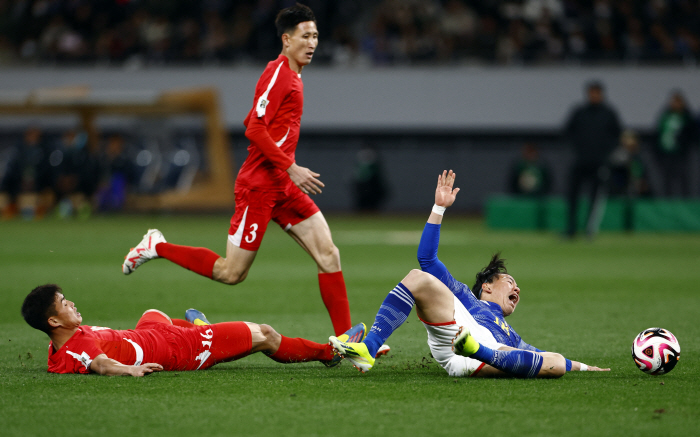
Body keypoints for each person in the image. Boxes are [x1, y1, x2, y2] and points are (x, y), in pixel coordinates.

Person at [121, 4, 352, 338]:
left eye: (315, 36)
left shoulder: (293, 76)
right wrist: (291, 166)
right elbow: (254, 129)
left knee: (329, 254)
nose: (312, 43)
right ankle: (157, 246)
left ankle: (348, 341)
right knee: (232, 273)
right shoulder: (279, 75)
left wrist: (287, 170)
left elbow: (257, 123)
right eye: (305, 36)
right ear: (286, 40)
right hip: (259, 186)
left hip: (283, 185)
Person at [331, 171, 610, 378]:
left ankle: (476, 349)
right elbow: (427, 258)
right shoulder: (463, 295)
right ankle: (369, 348)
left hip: (486, 355)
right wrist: (439, 208)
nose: (517, 290)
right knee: (417, 276)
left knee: (557, 363)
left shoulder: (511, 334)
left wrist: (586, 367)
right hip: (456, 328)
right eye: (510, 281)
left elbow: (544, 357)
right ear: (487, 287)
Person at [21, 283, 368, 376]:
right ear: (53, 322)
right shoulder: (79, 347)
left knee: (152, 311)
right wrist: (129, 369)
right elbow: (100, 363)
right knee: (265, 334)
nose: (72, 304)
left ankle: (205, 327)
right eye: (65, 304)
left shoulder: (58, 351)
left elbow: (89, 356)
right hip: (180, 348)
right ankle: (331, 353)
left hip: (152, 334)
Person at [564, 81, 622, 238]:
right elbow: (568, 131)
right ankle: (571, 229)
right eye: (591, 93)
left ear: (601, 94)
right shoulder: (579, 112)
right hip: (581, 161)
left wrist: (606, 154)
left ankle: (589, 230)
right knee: (572, 195)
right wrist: (578, 149)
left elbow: (617, 135)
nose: (594, 96)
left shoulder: (609, 114)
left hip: (600, 163)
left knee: (595, 198)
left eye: (596, 93)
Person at [654, 90, 697, 197]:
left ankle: (685, 201)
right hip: (665, 153)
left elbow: (692, 134)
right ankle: (667, 200)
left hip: (681, 153)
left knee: (683, 178)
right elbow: (659, 132)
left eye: (678, 102)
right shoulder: (665, 115)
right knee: (666, 178)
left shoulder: (687, 117)